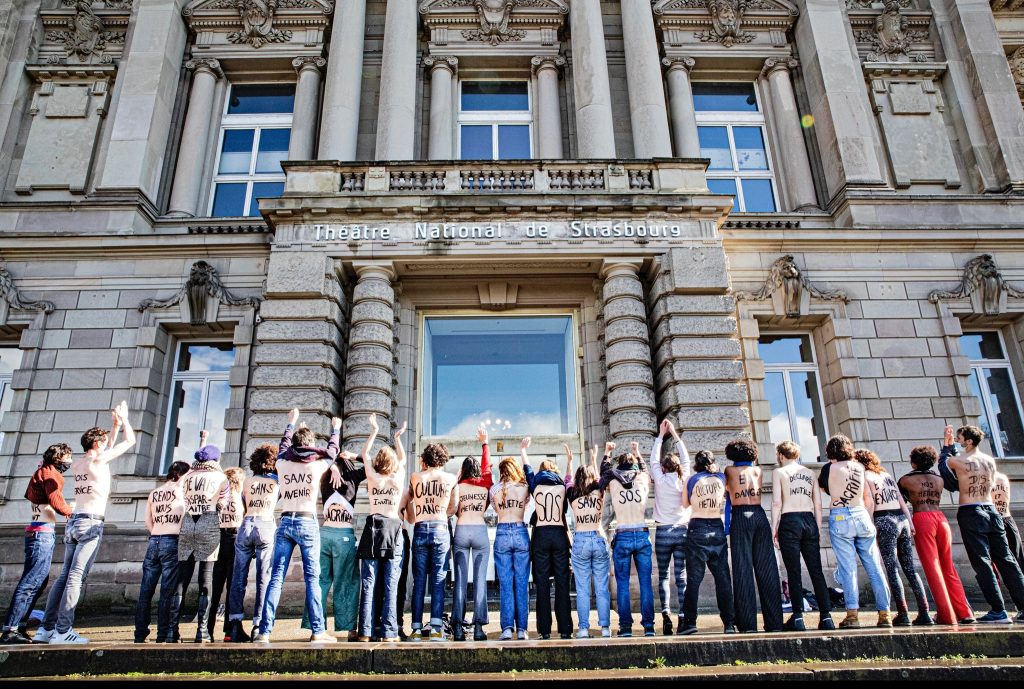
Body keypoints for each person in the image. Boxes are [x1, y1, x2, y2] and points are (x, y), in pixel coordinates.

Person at [38, 402, 135, 645]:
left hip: (73, 521)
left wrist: (114, 426)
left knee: (63, 577)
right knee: (76, 577)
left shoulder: (80, 463)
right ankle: (63, 630)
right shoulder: (98, 462)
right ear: (97, 444)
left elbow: (108, 447)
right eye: (103, 441)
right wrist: (125, 421)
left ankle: (46, 629)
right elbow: (129, 442)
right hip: (91, 521)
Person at [254, 409, 342, 643]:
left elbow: (283, 447)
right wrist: (335, 429)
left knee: (276, 578)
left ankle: (263, 631)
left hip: (285, 521)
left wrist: (291, 423)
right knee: (313, 578)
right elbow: (333, 451)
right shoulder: (317, 465)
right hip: (306, 520)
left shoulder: (282, 463)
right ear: (311, 446)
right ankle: (318, 631)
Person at [940, 424, 1024, 624]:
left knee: (982, 561)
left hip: (971, 511)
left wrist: (946, 447)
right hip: (992, 510)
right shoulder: (989, 461)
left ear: (968, 441)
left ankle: (998, 610)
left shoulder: (958, 460)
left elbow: (945, 470)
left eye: (960, 438)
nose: (959, 441)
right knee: (1007, 560)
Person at [0, 443, 74, 644]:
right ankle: (11, 629)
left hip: (37, 530)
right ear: (59, 458)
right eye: (68, 457)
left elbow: (32, 496)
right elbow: (57, 501)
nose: (70, 461)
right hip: (42, 532)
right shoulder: (51, 474)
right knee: (32, 581)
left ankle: (19, 626)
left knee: (38, 581)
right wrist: (72, 512)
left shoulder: (40, 472)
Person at [817, 434, 891, 629]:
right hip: (861, 515)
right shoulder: (859, 467)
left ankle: (852, 615)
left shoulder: (829, 468)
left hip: (840, 516)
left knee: (848, 569)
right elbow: (868, 498)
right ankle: (885, 614)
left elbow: (825, 488)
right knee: (874, 567)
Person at [898, 442, 975, 626]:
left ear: (914, 462)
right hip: (941, 519)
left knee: (933, 569)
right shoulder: (939, 480)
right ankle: (964, 612)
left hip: (922, 518)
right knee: (948, 567)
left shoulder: (905, 480)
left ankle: (946, 615)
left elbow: (903, 502)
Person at [855, 448, 932, 627]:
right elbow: (900, 500)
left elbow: (871, 502)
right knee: (910, 568)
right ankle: (925, 611)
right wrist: (910, 522)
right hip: (901, 519)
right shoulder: (886, 475)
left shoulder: (865, 476)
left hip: (884, 520)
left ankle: (903, 612)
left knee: (892, 568)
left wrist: (869, 524)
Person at [302, 446, 365, 641]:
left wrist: (333, 464)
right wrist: (353, 456)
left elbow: (313, 457)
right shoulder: (354, 476)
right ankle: (350, 629)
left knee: (319, 582)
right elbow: (372, 463)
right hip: (344, 536)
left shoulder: (323, 476)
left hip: (324, 534)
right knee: (348, 583)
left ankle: (316, 628)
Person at [770, 441, 833, 631]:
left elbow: (776, 503)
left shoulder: (779, 473)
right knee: (816, 571)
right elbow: (818, 504)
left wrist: (774, 527)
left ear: (781, 455)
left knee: (793, 571)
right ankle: (826, 616)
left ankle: (797, 617)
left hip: (789, 520)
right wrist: (817, 526)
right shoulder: (810, 473)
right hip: (809, 519)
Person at [356, 413, 408, 642]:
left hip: (373, 526)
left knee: (368, 582)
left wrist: (374, 430)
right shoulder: (397, 478)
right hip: (393, 529)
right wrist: (398, 438)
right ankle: (389, 632)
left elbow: (364, 454)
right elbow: (403, 459)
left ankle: (365, 632)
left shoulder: (373, 478)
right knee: (391, 583)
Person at [174, 433, 230, 643]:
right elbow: (223, 503)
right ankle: (202, 631)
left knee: (182, 578)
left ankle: (172, 631)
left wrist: (202, 443)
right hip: (209, 520)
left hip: (188, 521)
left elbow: (180, 495)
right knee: (206, 579)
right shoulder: (220, 477)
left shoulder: (187, 476)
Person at [724, 438, 783, 634]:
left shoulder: (729, 471)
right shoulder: (758, 471)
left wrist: (726, 525)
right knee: (767, 569)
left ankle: (748, 624)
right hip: (759, 514)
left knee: (743, 571)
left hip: (740, 516)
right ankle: (775, 622)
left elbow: (727, 498)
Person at [401, 439, 456, 641]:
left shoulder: (416, 477)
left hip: (421, 527)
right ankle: (435, 629)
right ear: (443, 459)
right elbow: (453, 507)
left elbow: (408, 501)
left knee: (419, 580)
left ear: (425, 459)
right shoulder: (450, 478)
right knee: (438, 580)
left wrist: (414, 516)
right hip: (440, 527)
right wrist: (440, 512)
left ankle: (415, 629)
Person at [600, 440, 655, 637]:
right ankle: (649, 626)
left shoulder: (614, 482)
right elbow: (644, 468)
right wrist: (638, 452)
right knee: (645, 582)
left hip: (622, 533)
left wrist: (607, 452)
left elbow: (603, 472)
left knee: (622, 582)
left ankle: (625, 627)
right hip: (641, 532)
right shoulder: (642, 479)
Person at [226, 443, 279, 643]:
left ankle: (235, 623)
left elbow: (244, 503)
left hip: (246, 524)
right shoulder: (276, 481)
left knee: (238, 577)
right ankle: (259, 624)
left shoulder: (247, 481)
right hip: (265, 524)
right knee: (263, 577)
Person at [678, 450, 734, 635]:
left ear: (696, 464)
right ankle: (729, 624)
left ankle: (690, 623)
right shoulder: (721, 478)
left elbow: (685, 504)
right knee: (723, 578)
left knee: (694, 579)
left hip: (697, 526)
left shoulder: (692, 480)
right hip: (716, 525)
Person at [523, 438, 573, 640]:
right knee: (562, 584)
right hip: (559, 534)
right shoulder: (561, 486)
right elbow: (570, 479)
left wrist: (524, 450)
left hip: (541, 535)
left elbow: (527, 471)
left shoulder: (536, 485)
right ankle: (566, 629)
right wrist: (569, 461)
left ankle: (544, 630)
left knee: (542, 585)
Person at [134, 460, 189, 643]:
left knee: (146, 590)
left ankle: (140, 633)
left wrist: (156, 533)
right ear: (183, 475)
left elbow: (147, 522)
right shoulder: (181, 492)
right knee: (167, 591)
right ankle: (163, 634)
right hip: (171, 540)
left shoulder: (155, 493)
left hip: (154, 540)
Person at [450, 426, 494, 642]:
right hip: (479, 530)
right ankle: (478, 628)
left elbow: (455, 508)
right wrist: (485, 443)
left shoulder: (459, 485)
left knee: (459, 580)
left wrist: (458, 477)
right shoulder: (484, 484)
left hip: (461, 529)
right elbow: (488, 470)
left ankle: (458, 627)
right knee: (480, 581)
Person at [650, 420, 690, 636]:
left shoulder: (660, 478)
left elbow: (653, 459)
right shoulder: (683, 480)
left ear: (663, 468)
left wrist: (660, 436)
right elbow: (686, 458)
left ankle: (665, 615)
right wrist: (674, 434)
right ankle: (683, 617)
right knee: (681, 576)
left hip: (663, 531)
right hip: (682, 529)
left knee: (663, 575)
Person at [567, 444, 611, 639]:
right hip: (598, 535)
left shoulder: (573, 494)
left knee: (583, 589)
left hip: (581, 539)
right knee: (602, 588)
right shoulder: (599, 491)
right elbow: (600, 479)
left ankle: (583, 629)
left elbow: (567, 481)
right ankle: (605, 628)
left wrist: (569, 462)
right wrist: (594, 458)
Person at [490, 449, 532, 641]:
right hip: (520, 531)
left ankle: (507, 628)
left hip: (502, 531)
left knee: (506, 584)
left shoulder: (495, 489)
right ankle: (522, 629)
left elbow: (494, 508)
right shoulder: (524, 487)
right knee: (522, 584)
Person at [208, 466, 244, 641]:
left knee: (213, 587)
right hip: (235, 537)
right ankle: (229, 631)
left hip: (217, 538)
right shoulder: (241, 496)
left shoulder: (217, 496)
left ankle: (207, 629)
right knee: (233, 586)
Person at [992, 470, 1023, 568]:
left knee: (996, 558)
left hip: (994, 519)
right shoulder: (1003, 477)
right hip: (1007, 517)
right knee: (1016, 555)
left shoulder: (985, 480)